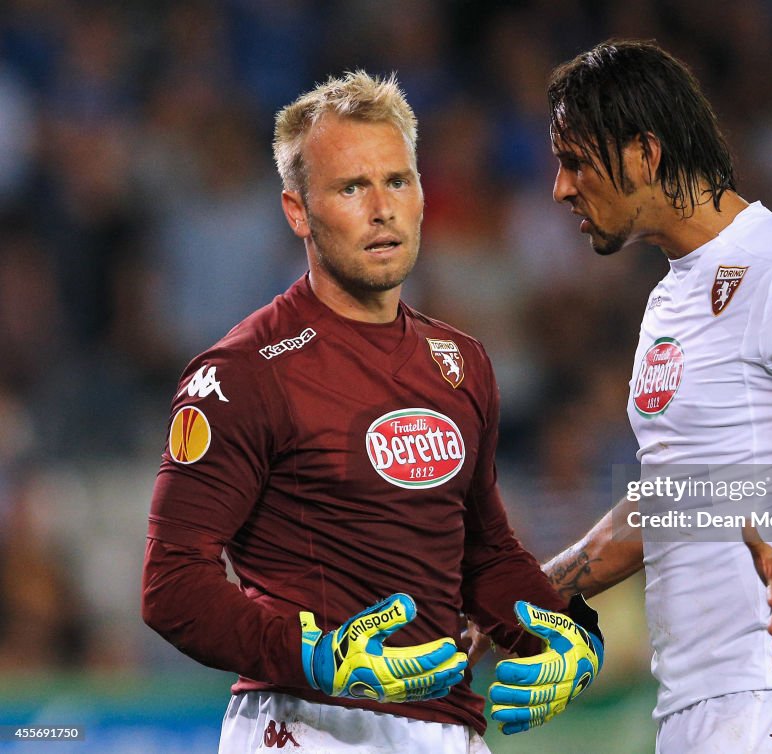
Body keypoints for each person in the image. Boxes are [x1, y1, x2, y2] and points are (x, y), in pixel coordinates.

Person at [141, 71, 603, 754]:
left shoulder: (461, 361)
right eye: (351, 187)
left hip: (451, 732)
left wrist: (568, 632)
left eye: (397, 181)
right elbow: (171, 585)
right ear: (298, 212)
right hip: (309, 724)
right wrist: (319, 658)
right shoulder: (242, 372)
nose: (381, 208)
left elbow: (481, 551)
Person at [541, 41, 772, 752]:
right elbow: (669, 498)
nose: (561, 187)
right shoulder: (672, 298)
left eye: (575, 160)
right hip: (700, 705)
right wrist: (521, 597)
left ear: (643, 153)